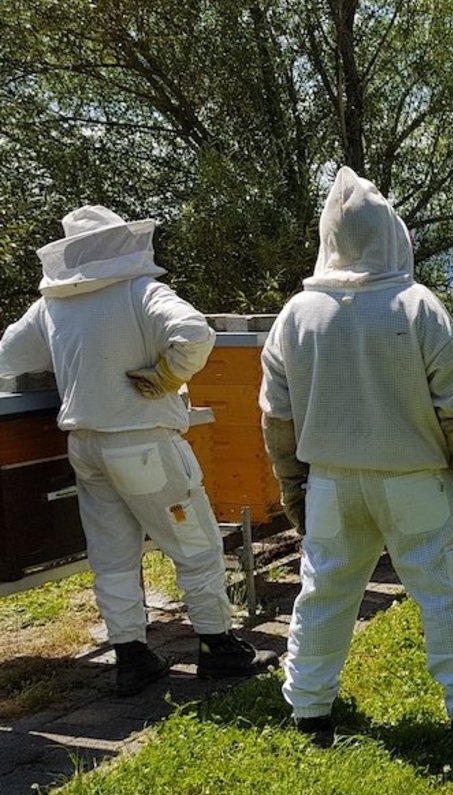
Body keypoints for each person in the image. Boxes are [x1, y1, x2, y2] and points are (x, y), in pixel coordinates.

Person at [260, 166, 453, 742]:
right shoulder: (416, 305)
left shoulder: (296, 315)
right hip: (415, 478)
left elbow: (277, 415)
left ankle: (309, 707)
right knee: (442, 593)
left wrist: (293, 486)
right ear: (391, 235)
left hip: (332, 485)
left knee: (323, 594)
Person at [0, 206, 276, 696]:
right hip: (143, 444)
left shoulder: (52, 304)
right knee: (196, 545)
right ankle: (217, 646)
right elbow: (194, 333)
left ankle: (131, 657)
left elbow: (8, 358)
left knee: (112, 556)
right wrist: (168, 376)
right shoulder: (139, 290)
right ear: (120, 244)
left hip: (86, 447)